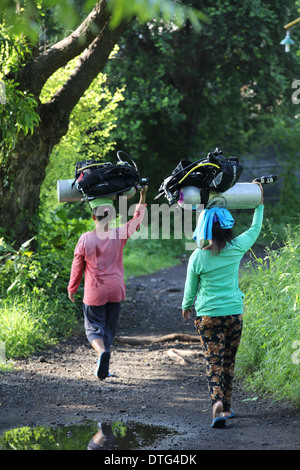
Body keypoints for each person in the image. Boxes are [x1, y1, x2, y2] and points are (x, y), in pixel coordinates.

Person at [182, 181, 264, 428]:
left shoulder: (197, 256)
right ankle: (226, 405)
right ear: (227, 229)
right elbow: (256, 227)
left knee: (213, 361)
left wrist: (186, 306)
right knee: (229, 360)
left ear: (204, 229)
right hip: (234, 315)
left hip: (208, 317)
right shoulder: (237, 247)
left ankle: (218, 404)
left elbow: (190, 288)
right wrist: (260, 200)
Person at [68, 186, 147, 380]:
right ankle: (103, 367)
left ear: (94, 217)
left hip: (95, 292)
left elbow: (77, 267)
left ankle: (101, 353)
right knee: (109, 329)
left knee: (93, 328)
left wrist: (72, 288)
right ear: (111, 217)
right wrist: (143, 195)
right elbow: (137, 220)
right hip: (116, 290)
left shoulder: (85, 239)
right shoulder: (119, 234)